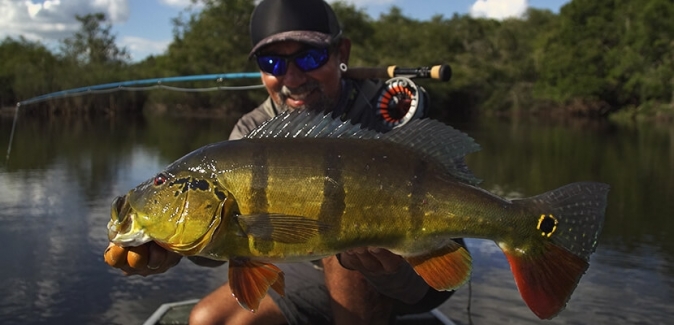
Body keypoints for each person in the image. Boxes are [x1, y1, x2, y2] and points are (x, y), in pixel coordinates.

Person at [104, 0, 459, 324]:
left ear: (342, 52)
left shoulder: (387, 114)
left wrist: (390, 271)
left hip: (416, 270)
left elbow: (445, 251)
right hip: (310, 263)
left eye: (310, 57)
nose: (291, 78)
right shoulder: (250, 131)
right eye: (272, 62)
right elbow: (228, 237)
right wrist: (173, 247)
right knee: (208, 319)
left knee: (345, 253)